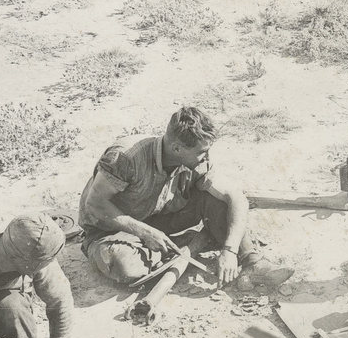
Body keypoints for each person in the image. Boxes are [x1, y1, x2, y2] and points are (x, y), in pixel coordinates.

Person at [78, 106, 294, 289]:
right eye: (202, 152)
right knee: (126, 267)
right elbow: (95, 205)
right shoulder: (126, 157)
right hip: (111, 229)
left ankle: (253, 262)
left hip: (159, 217)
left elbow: (236, 197)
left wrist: (230, 250)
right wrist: (144, 232)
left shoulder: (197, 160)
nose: (206, 157)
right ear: (177, 148)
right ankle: (193, 241)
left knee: (218, 201)